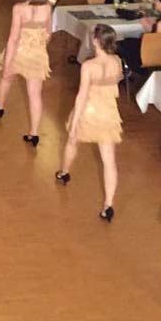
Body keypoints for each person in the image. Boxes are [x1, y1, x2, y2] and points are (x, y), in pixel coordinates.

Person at [54, 24, 124, 222]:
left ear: (95, 41)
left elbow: (82, 95)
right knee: (109, 160)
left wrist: (75, 121)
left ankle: (64, 172)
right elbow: (116, 82)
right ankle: (108, 204)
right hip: (108, 112)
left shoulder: (88, 66)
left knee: (72, 141)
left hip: (89, 111)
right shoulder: (117, 61)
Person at [0, 0, 53, 147]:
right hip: (37, 55)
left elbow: (13, 38)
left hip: (19, 52)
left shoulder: (19, 9)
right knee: (35, 95)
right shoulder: (48, 8)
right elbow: (48, 34)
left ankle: (0, 106)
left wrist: (7, 63)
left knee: (6, 78)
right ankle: (34, 133)